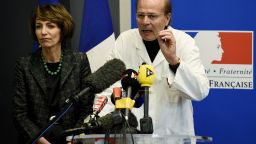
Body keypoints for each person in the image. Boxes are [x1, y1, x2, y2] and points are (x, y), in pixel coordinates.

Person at [99, 0, 210, 141]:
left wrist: (174, 61)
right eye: (140, 15)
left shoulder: (185, 42)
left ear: (167, 18)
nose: (145, 21)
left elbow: (199, 91)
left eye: (152, 16)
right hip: (132, 138)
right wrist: (103, 128)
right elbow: (109, 89)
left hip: (172, 138)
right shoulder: (124, 41)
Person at [12, 3, 94, 144]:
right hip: (37, 140)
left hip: (71, 139)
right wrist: (42, 142)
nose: (43, 32)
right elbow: (20, 115)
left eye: (50, 26)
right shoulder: (24, 65)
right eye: (39, 26)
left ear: (63, 29)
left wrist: (73, 138)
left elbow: (87, 108)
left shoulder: (79, 61)